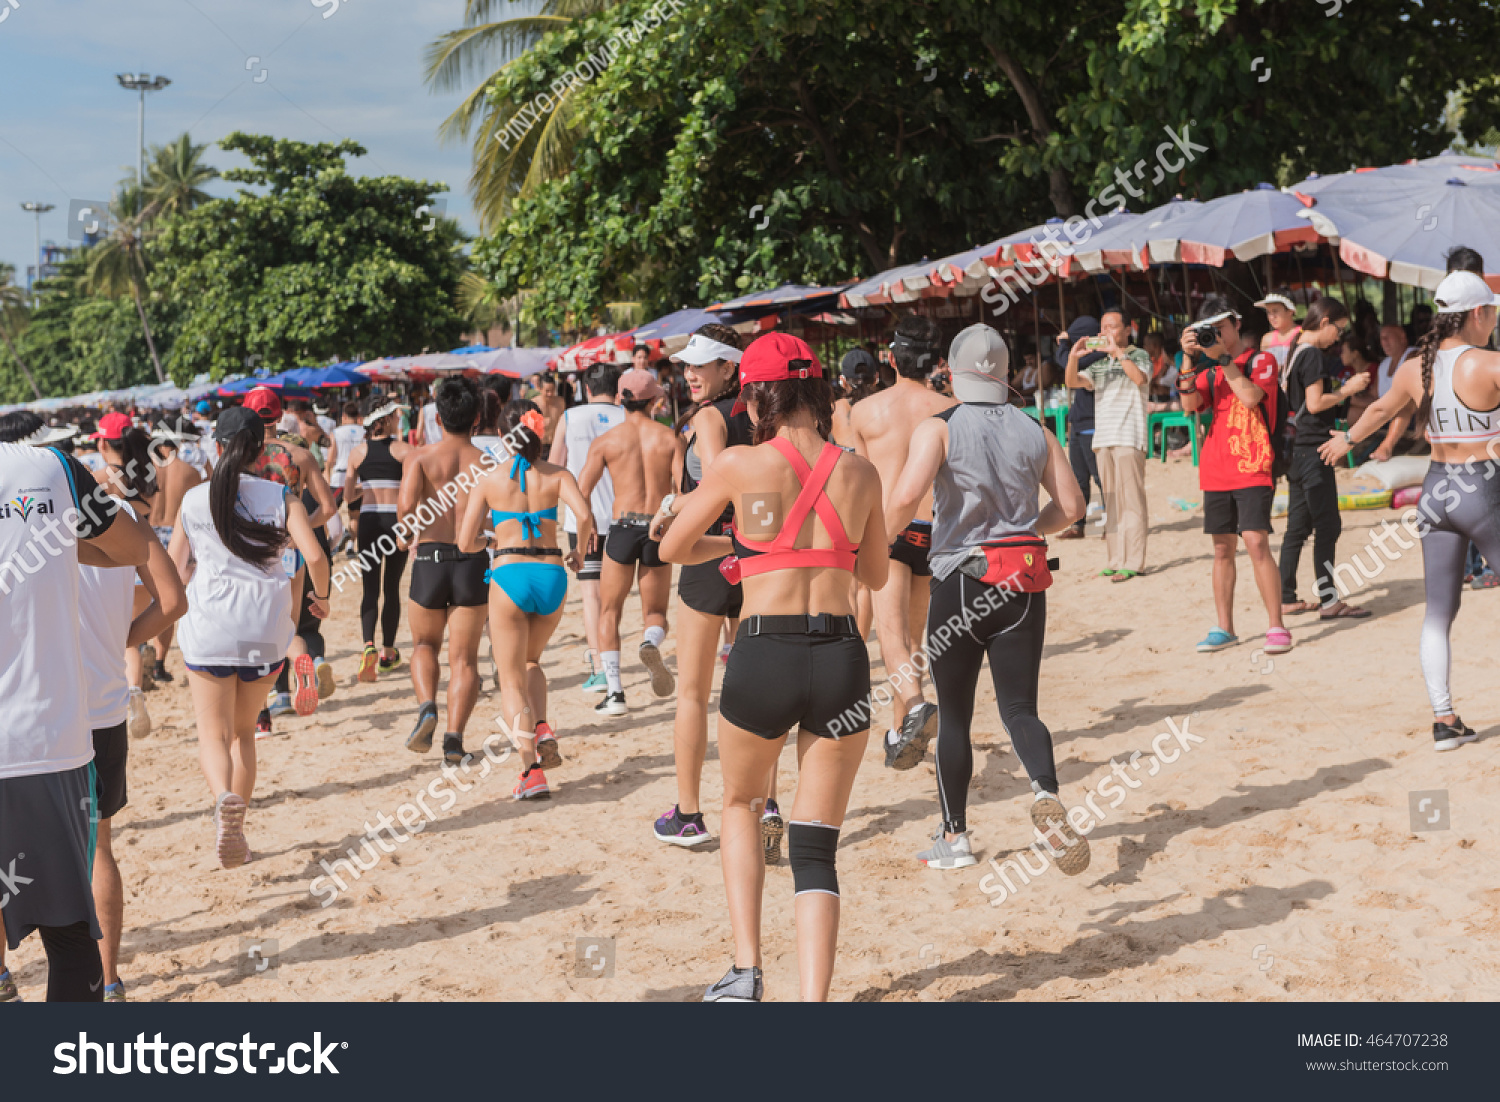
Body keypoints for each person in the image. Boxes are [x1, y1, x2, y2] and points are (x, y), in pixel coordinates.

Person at [656, 332, 888, 1003]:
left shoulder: (736, 464)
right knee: (817, 844)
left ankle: (747, 970)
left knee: (739, 802)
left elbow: (673, 546)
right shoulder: (859, 471)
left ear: (756, 393)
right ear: (818, 389)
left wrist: (746, 544)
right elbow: (872, 572)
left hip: (764, 651)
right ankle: (813, 1005)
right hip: (841, 657)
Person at [885, 323, 1089, 872]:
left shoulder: (940, 427)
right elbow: (1072, 506)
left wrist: (872, 544)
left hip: (961, 579)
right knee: (1021, 708)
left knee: (954, 716)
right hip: (1023, 578)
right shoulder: (1035, 429)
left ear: (950, 372)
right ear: (1004, 374)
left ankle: (954, 838)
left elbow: (905, 498)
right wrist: (1030, 529)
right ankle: (1046, 792)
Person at [1319, 270, 1500, 751]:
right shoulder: (1488, 364)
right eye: (1494, 311)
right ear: (1478, 314)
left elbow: (1378, 412)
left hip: (1435, 492)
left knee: (1438, 613)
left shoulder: (1414, 366)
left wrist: (1345, 440)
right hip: (1483, 490)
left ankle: (1443, 719)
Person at [0, 436, 149, 1001]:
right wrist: (56, 539)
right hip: (45, 741)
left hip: (45, 740)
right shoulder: (50, 466)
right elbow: (133, 547)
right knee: (70, 940)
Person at [170, 407, 330, 868]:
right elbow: (314, 558)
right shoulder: (282, 496)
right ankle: (239, 820)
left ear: (216, 447)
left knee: (213, 735)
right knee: (244, 733)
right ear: (261, 449)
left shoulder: (194, 500)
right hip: (266, 629)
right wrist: (322, 599)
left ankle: (223, 800)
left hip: (210, 628)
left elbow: (177, 569)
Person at [69, 455, 187, 1001]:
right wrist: (123, 640)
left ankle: (2, 977)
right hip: (103, 707)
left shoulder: (26, 520)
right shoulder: (123, 517)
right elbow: (174, 600)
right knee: (99, 848)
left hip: (36, 708)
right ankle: (108, 980)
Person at [459, 400, 593, 800]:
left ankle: (530, 771)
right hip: (552, 574)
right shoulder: (557, 474)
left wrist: (492, 537)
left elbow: (466, 541)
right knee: (532, 661)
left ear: (502, 436)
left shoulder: (490, 479)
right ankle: (542, 726)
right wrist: (579, 551)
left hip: (509, 575)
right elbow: (584, 515)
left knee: (511, 678)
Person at [650, 326, 752, 848]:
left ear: (730, 367)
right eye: (687, 363)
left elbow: (715, 489)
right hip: (757, 557)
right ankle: (765, 805)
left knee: (691, 694)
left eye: (704, 364)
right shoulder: (759, 414)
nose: (690, 372)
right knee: (754, 690)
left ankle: (688, 814)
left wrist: (670, 507)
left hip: (711, 555)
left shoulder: (711, 416)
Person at [849, 315, 954, 770]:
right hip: (936, 529)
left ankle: (913, 706)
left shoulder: (864, 411)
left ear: (891, 359)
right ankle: (903, 737)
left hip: (889, 526)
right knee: (916, 637)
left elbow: (860, 480)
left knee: (890, 633)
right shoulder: (951, 407)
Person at [1176, 294, 1292, 656]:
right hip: (1216, 468)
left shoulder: (1262, 359)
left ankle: (1276, 625)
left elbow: (1251, 397)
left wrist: (1224, 361)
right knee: (1222, 548)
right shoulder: (1206, 369)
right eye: (1208, 331)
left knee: (1256, 542)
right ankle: (1225, 627)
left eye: (1221, 328)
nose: (1216, 336)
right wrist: (1188, 359)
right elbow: (1189, 405)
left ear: (1236, 324)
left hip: (1254, 464)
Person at [578, 367, 680, 715]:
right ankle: (650, 642)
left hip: (622, 528)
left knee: (609, 611)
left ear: (621, 399)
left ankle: (616, 693)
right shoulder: (669, 439)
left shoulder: (607, 441)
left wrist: (588, 524)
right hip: (658, 528)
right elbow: (683, 492)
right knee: (655, 613)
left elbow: (582, 491)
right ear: (655, 400)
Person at [400, 378, 491, 765]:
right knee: (465, 660)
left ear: (437, 418)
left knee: (423, 646)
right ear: (476, 420)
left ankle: (426, 707)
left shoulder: (420, 458)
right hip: (472, 560)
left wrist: (408, 536)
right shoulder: (488, 462)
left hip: (431, 560)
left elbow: (405, 513)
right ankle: (454, 740)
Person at [1276, 297, 1370, 621]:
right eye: (1339, 330)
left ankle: (1285, 597)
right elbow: (1315, 404)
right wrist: (1348, 389)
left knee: (1297, 528)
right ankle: (1329, 600)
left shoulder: (1293, 350)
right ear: (1326, 321)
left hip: (1296, 451)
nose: (1338, 338)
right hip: (1315, 451)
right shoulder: (1313, 354)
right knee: (1328, 526)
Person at [548, 363, 624, 695]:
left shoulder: (570, 417)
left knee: (591, 595)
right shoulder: (627, 417)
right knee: (617, 596)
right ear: (618, 389)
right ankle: (615, 660)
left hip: (583, 518)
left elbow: (554, 464)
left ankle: (600, 667)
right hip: (624, 517)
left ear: (586, 390)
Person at [1065, 307, 1150, 581]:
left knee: (1132, 502)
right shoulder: (1099, 363)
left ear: (1128, 329)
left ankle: (1133, 561)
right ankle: (1115, 559)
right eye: (1103, 327)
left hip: (1129, 437)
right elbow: (1072, 382)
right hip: (1104, 439)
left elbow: (1139, 378)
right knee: (1111, 502)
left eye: (1112, 327)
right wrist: (1073, 357)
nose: (1106, 332)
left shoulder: (1138, 355)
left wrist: (1117, 352)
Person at [346, 400, 411, 680]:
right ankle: (387, 652)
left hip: (370, 521)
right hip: (395, 522)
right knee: (392, 588)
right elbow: (412, 494)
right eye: (396, 416)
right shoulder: (405, 451)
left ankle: (368, 646)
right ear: (384, 420)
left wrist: (367, 487)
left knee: (369, 589)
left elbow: (349, 497)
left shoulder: (357, 453)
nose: (399, 420)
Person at [144, 427, 203, 686]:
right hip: (177, 535)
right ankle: (159, 663)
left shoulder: (145, 471)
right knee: (167, 602)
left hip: (146, 533)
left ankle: (138, 649)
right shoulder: (191, 472)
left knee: (139, 600)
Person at [1054, 316, 1105, 539]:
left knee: (1100, 477)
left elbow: (1066, 363)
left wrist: (1065, 344)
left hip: (1093, 423)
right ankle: (1079, 525)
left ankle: (1109, 522)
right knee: (1078, 479)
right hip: (1078, 424)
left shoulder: (1100, 355)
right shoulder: (1088, 355)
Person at [327, 400, 367, 550]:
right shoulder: (363, 432)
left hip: (339, 476)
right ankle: (351, 546)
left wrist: (327, 472)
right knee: (354, 515)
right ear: (357, 416)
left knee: (329, 510)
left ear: (343, 416)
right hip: (357, 476)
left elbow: (331, 458)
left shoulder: (337, 432)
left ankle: (341, 532)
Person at [1256, 289, 1302, 369]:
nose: (1271, 317)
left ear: (1290, 310)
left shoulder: (1302, 334)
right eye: (1269, 312)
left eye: (1275, 311)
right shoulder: (1267, 339)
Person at [535, 374, 566, 452]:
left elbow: (564, 422)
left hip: (555, 444)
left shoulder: (560, 402)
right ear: (540, 389)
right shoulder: (534, 403)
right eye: (547, 391)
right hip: (539, 445)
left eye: (552, 390)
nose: (550, 394)